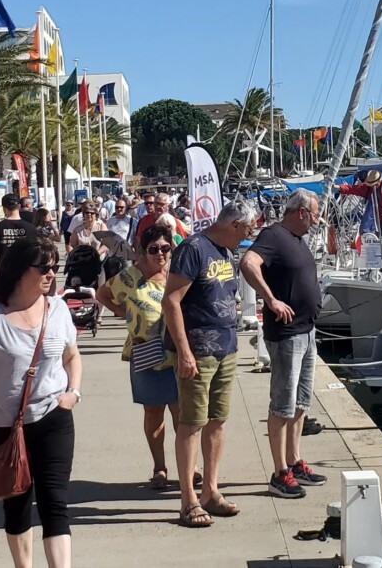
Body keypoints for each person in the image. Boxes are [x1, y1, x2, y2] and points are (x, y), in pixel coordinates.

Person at [0, 238, 82, 568]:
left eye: (54, 266)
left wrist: (73, 392)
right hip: (3, 422)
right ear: (19, 271)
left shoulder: (57, 308)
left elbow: (72, 357)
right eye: (43, 267)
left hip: (53, 416)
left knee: (54, 503)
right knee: (16, 504)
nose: (51, 273)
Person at [162, 200, 257, 527]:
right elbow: (171, 301)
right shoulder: (193, 249)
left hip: (226, 347)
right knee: (191, 422)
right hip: (198, 350)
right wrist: (184, 351)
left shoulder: (226, 252)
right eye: (247, 229)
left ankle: (211, 492)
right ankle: (188, 500)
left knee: (217, 420)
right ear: (233, 225)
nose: (249, 235)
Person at [237, 189, 328, 498]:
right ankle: (279, 472)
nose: (316, 221)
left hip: (307, 331)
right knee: (283, 404)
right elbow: (248, 263)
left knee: (301, 402)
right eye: (315, 215)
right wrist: (271, 299)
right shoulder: (274, 235)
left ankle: (294, 459)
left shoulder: (297, 240)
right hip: (287, 335)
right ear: (301, 212)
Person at [98, 224, 181, 488]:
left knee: (183, 413)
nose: (160, 254)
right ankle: (160, 468)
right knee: (153, 412)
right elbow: (102, 294)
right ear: (143, 251)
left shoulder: (177, 275)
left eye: (165, 249)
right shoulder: (130, 277)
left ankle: (188, 466)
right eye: (154, 249)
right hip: (146, 352)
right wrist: (126, 314)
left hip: (179, 352)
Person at [337, 169, 382, 241]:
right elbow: (353, 189)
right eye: (372, 185)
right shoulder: (367, 188)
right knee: (376, 242)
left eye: (375, 184)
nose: (374, 186)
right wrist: (338, 187)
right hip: (376, 221)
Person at [0, 194, 35, 272]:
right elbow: (36, 254)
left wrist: (0, 264)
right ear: (19, 206)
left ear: (4, 208)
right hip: (25, 273)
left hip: (3, 274)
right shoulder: (31, 228)